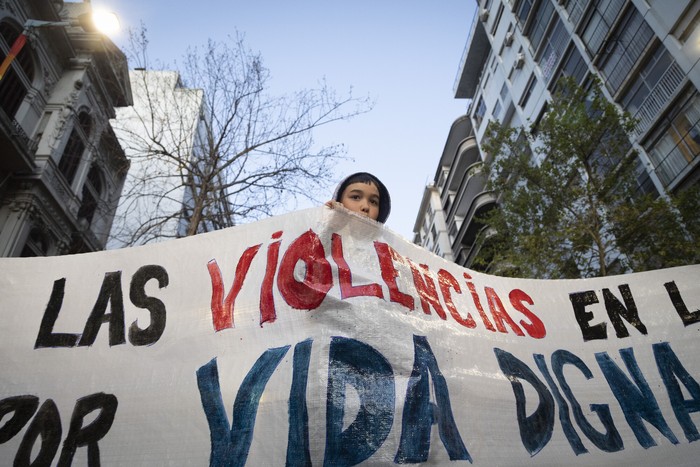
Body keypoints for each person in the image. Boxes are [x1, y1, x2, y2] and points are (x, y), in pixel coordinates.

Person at [326, 172, 391, 223]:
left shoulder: (388, 240)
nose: (365, 207)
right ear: (339, 201)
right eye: (355, 197)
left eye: (373, 202)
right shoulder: (321, 232)